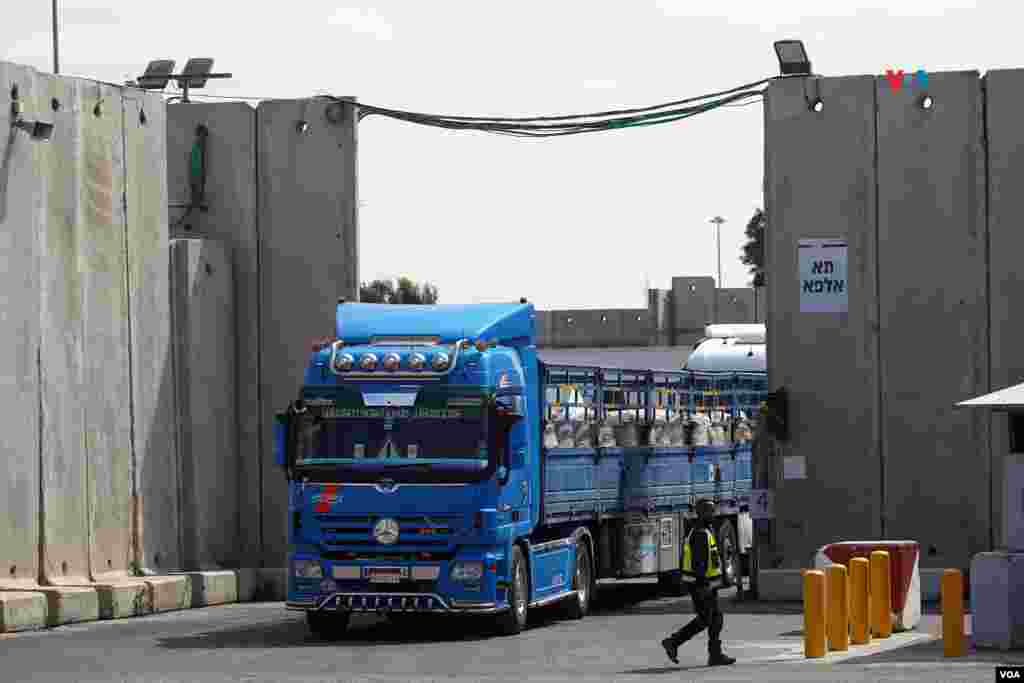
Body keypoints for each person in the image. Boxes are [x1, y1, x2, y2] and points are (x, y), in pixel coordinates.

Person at [661, 498, 736, 667]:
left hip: (708, 584)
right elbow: (699, 564)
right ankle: (673, 642)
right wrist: (704, 586)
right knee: (705, 619)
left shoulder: (705, 530)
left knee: (715, 618)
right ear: (702, 513)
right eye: (710, 511)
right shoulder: (701, 533)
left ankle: (715, 655)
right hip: (701, 585)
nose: (713, 514)